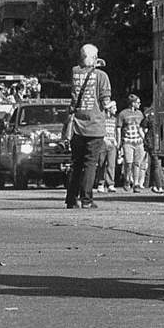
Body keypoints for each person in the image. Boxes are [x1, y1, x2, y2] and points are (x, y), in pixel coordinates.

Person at [65, 44, 111, 210]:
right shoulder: (101, 76)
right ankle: (86, 199)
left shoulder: (75, 73)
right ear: (95, 58)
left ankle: (71, 199)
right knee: (90, 163)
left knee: (76, 163)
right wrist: (111, 105)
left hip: (77, 125)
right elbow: (105, 100)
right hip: (94, 125)